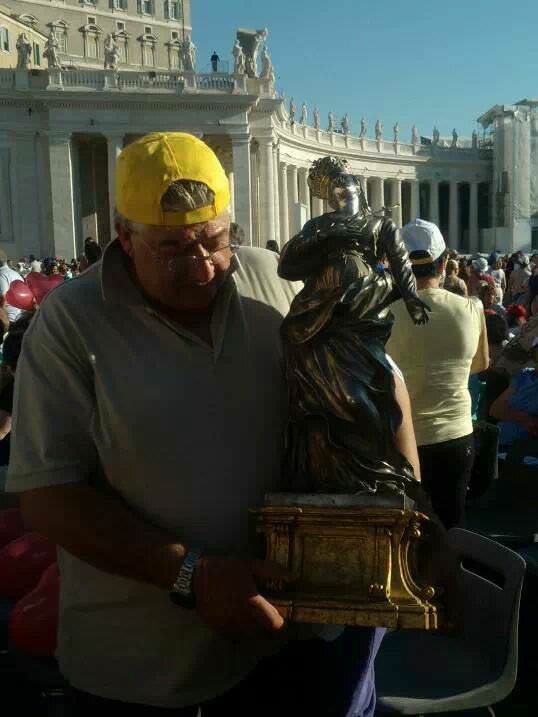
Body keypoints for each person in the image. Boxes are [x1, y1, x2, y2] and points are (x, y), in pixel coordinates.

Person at [6, 133, 384, 717]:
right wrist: (192, 574)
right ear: (125, 238)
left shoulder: (271, 277)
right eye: (174, 249)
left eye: (214, 239)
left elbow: (374, 381)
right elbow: (48, 495)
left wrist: (413, 510)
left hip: (275, 648)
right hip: (139, 672)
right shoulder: (69, 323)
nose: (203, 264)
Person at [387, 219, 489, 529]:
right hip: (456, 436)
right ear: (444, 263)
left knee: (409, 537)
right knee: (452, 530)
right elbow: (481, 364)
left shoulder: (385, 315)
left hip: (404, 442)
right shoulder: (472, 308)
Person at [490, 337, 538, 448]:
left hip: (527, 450)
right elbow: (495, 410)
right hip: (500, 443)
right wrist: (525, 419)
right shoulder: (524, 375)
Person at [0, 249, 23, 325]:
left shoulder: (1, 274)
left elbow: (3, 298)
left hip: (10, 320)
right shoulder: (15, 273)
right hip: (20, 316)